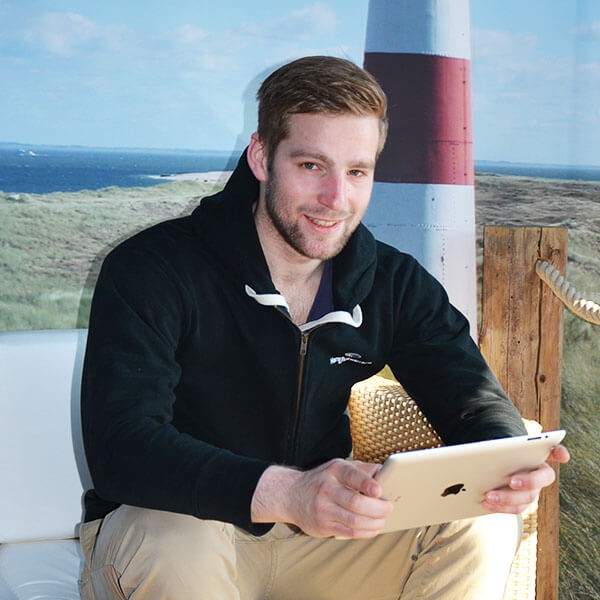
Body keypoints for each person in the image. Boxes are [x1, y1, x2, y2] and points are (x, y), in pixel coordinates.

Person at [79, 56, 569, 599]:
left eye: (357, 172)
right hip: (180, 525)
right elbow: (122, 448)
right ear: (261, 156)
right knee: (174, 538)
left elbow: (473, 400)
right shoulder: (153, 269)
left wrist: (506, 463)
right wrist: (288, 493)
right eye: (312, 166)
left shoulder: (392, 282)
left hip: (318, 542)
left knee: (484, 523)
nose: (337, 199)